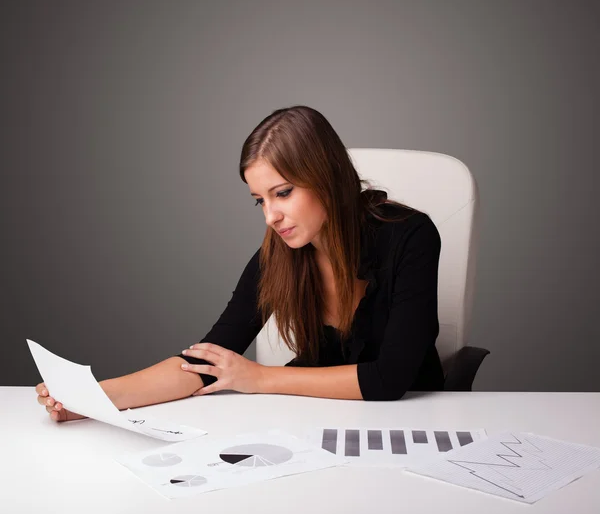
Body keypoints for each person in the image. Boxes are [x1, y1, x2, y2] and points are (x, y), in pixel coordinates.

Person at [36, 105, 444, 422]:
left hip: (415, 425)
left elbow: (390, 378)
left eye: (282, 193)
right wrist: (91, 399)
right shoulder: (280, 252)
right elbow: (205, 362)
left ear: (327, 177)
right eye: (260, 201)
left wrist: (260, 377)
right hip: (319, 424)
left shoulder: (411, 236)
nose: (270, 217)